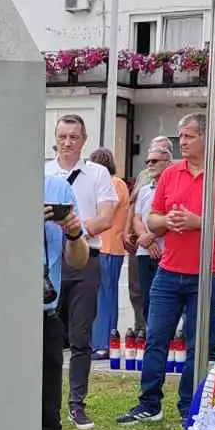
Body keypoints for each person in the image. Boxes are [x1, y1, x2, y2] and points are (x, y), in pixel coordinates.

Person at [118, 112, 215, 426]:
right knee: (156, 337)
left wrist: (198, 223)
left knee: (198, 344)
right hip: (169, 270)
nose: (183, 142)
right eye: (181, 136)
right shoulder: (171, 174)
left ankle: (189, 406)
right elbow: (153, 219)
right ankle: (149, 403)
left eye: (188, 136)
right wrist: (166, 222)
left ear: (206, 138)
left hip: (209, 274)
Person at [45, 115, 116, 430]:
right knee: (48, 332)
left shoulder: (97, 173)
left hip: (85, 257)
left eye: (74, 137)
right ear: (55, 139)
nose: (68, 142)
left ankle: (76, 402)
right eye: (63, 136)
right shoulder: (44, 173)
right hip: (48, 261)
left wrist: (74, 230)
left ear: (83, 140)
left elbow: (107, 216)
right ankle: (48, 401)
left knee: (81, 335)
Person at [42, 174, 89, 430]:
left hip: (43, 317)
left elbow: (79, 260)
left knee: (47, 421)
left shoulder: (57, 189)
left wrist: (73, 233)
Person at [86, 147, 131, 398]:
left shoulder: (112, 184)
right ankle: (107, 340)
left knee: (103, 296)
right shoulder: (120, 183)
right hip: (111, 246)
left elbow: (104, 212)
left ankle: (103, 344)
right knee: (108, 295)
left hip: (107, 245)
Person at [127, 143, 172, 331]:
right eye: (147, 161)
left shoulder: (173, 188)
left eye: (154, 161)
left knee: (162, 299)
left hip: (165, 251)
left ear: (167, 163)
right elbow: (137, 217)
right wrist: (146, 237)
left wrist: (152, 236)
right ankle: (146, 334)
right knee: (145, 295)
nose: (150, 165)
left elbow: (172, 217)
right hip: (145, 251)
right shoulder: (145, 190)